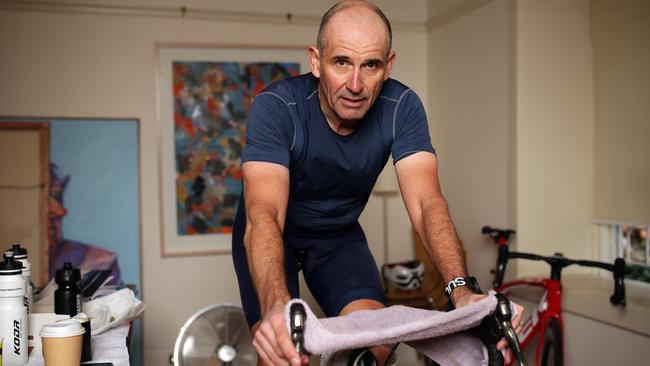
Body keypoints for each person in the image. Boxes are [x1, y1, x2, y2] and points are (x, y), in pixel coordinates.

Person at [231, 1, 523, 365]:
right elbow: (265, 214)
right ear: (316, 61)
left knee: (376, 346)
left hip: (337, 237)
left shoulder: (402, 107)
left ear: (388, 66)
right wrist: (275, 307)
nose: (355, 85)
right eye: (341, 62)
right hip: (273, 234)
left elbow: (426, 204)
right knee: (282, 350)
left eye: (370, 65)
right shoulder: (277, 107)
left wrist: (461, 291)